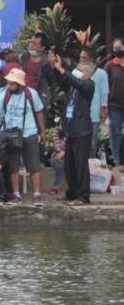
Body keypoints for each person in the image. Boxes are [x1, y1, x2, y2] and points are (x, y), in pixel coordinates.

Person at [0, 67, 46, 206]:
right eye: (9, 82)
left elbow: (39, 112)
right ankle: (16, 195)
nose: (9, 85)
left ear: (19, 84)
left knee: (33, 166)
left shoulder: (31, 94)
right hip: (11, 135)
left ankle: (37, 194)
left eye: (12, 83)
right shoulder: (5, 95)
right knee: (13, 166)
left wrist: (42, 131)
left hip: (29, 133)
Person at [50, 52, 95, 205]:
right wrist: (56, 67)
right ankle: (72, 193)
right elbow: (62, 81)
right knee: (69, 166)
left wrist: (64, 70)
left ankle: (83, 197)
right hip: (70, 130)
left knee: (81, 165)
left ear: (88, 73)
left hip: (83, 131)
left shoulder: (89, 85)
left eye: (81, 70)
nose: (77, 72)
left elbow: (78, 82)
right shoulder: (72, 87)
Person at [78, 47, 109, 159]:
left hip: (94, 114)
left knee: (92, 143)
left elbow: (104, 93)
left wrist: (103, 110)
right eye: (80, 57)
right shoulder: (75, 72)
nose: (81, 60)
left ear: (91, 60)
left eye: (84, 58)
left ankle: (90, 169)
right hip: (79, 115)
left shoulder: (102, 74)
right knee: (79, 142)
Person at [19, 31, 55, 111]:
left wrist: (52, 67)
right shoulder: (24, 56)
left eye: (35, 44)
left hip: (39, 97)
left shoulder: (46, 61)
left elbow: (52, 81)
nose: (31, 45)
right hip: (23, 96)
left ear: (42, 48)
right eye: (31, 42)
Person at [104, 37, 124, 166]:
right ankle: (117, 161)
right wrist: (104, 106)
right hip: (115, 106)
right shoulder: (110, 66)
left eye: (119, 48)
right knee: (115, 133)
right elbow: (104, 88)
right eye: (115, 48)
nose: (117, 50)